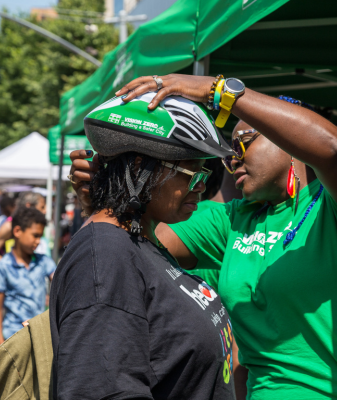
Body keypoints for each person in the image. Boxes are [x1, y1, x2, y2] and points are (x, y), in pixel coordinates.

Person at [71, 74, 337, 400]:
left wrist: (218, 91)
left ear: (287, 140)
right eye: (228, 151)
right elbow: (122, 246)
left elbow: (336, 150)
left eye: (244, 142)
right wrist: (111, 191)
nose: (231, 158)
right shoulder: (235, 219)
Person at [50, 94, 237, 400]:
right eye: (193, 174)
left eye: (205, 175)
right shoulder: (106, 256)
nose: (202, 187)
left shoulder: (139, 243)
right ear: (140, 166)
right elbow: (100, 390)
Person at [0, 207, 56, 343]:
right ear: (17, 231)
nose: (38, 241)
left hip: (38, 335)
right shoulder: (4, 265)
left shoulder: (43, 262)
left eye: (40, 236)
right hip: (13, 337)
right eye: (35, 235)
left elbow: (60, 282)